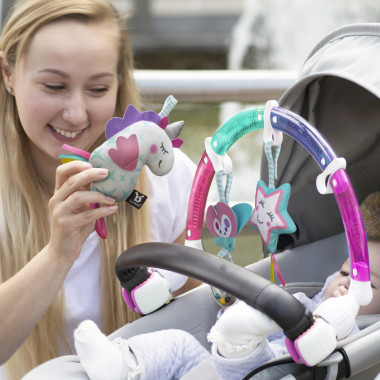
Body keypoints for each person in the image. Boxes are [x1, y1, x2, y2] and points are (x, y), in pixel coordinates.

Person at [0, 0, 200, 379]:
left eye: (97, 88)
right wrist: (59, 253)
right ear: (8, 73)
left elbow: (202, 318)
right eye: (54, 86)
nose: (75, 114)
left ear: (119, 81)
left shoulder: (165, 180)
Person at [72, 191, 380, 380]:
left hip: (266, 372)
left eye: (370, 286)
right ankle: (125, 366)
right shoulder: (305, 298)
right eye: (345, 273)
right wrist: (235, 306)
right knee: (178, 344)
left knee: (254, 344)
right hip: (211, 367)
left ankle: (240, 337)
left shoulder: (354, 335)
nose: (349, 286)